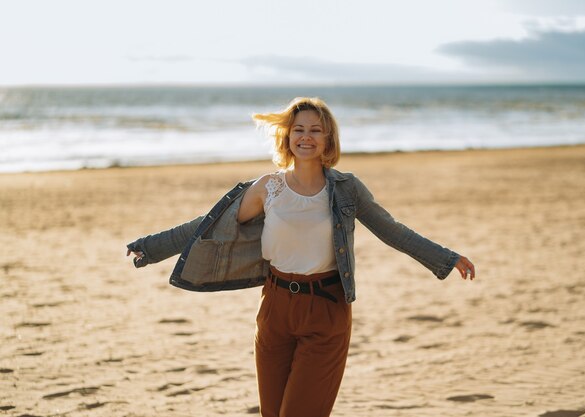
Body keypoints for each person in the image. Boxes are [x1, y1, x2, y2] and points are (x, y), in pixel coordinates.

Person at [127, 97, 476, 417]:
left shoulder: (346, 189)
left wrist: (445, 258)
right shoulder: (268, 187)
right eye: (298, 130)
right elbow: (208, 225)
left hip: (326, 309)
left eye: (315, 131)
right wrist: (152, 247)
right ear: (287, 138)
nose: (306, 137)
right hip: (275, 308)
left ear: (327, 140)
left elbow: (392, 230)